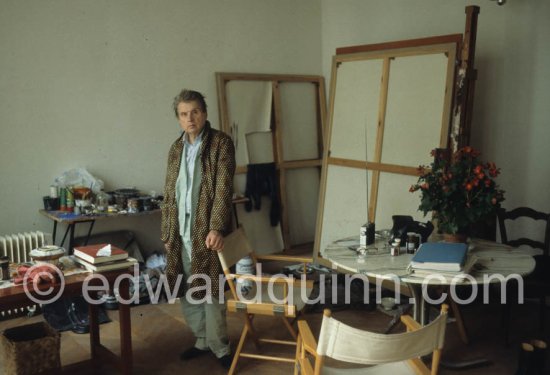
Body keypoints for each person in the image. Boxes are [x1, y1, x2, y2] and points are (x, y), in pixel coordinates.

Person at [160, 89, 236, 369]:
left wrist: (217, 227)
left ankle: (220, 347)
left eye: (195, 112)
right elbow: (170, 193)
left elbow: (223, 189)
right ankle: (202, 339)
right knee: (189, 286)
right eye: (183, 114)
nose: (189, 118)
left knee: (211, 287)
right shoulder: (175, 148)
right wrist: (168, 232)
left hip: (206, 230)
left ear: (204, 114)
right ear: (179, 119)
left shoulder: (221, 144)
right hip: (181, 228)